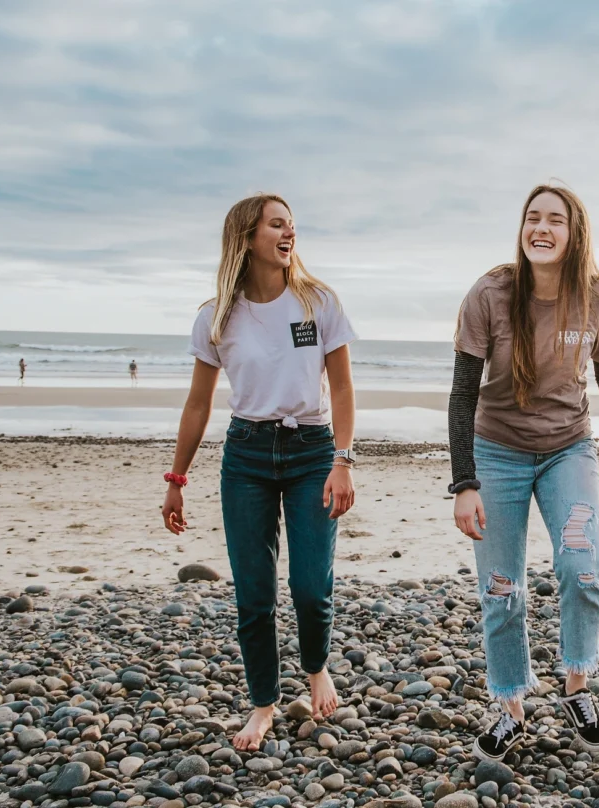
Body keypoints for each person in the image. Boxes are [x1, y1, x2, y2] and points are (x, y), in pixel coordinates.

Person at [160, 194, 358, 751]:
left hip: (312, 451)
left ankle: (316, 666)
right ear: (247, 238)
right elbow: (198, 404)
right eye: (276, 224)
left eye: (291, 223)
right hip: (245, 454)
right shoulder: (216, 315)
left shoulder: (318, 302)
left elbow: (341, 388)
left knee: (309, 585)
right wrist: (176, 480)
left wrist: (343, 461)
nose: (288, 231)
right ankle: (263, 704)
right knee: (254, 594)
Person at [449, 184, 599, 763]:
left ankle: (577, 686)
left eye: (555, 220)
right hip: (496, 450)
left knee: (582, 571)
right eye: (533, 218)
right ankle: (510, 708)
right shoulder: (490, 294)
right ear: (522, 228)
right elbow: (461, 394)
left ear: (574, 233)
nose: (542, 229)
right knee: (501, 590)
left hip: (567, 449)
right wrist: (465, 482)